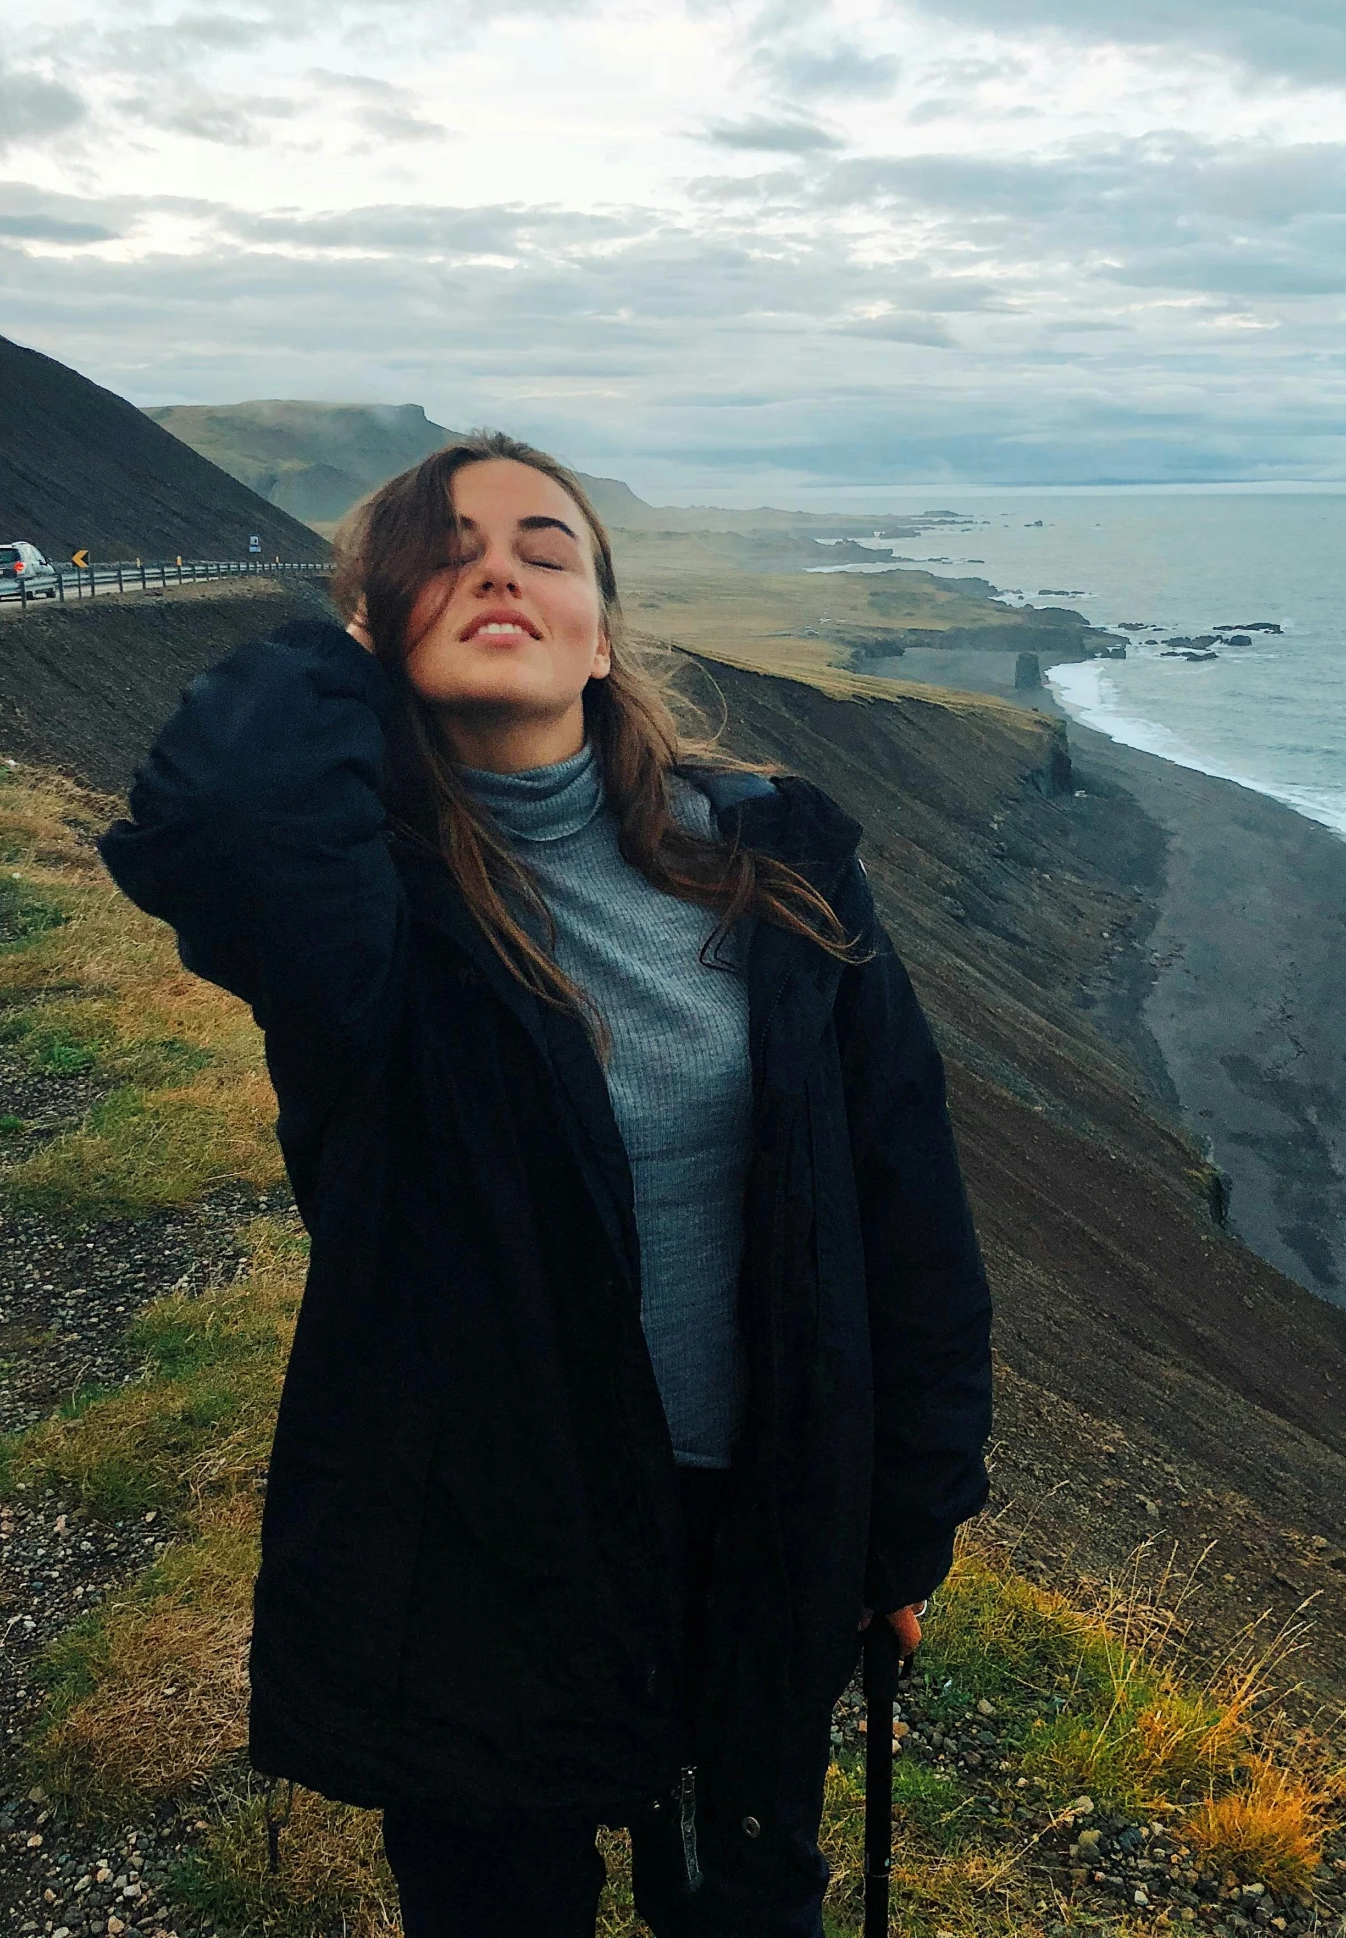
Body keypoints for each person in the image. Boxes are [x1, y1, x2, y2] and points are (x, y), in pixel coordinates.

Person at [100, 433, 992, 1938]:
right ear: (377, 618)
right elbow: (225, 814)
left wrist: (902, 1523)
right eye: (442, 549)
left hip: (753, 1521)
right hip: (476, 1543)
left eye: (543, 546)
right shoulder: (358, 908)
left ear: (600, 632)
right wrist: (352, 648)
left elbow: (902, 1197)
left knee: (746, 1907)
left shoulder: (770, 862)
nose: (496, 565)